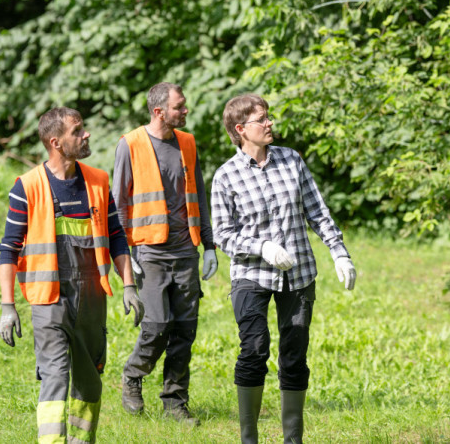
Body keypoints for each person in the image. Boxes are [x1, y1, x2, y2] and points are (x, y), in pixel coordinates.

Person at [211, 93, 357, 444]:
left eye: (268, 117)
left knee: (294, 353)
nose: (269, 123)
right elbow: (223, 234)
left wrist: (339, 252)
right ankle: (249, 438)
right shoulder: (226, 176)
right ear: (241, 129)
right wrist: (261, 246)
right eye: (262, 119)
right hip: (251, 275)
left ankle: (293, 439)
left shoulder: (291, 160)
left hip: (298, 273)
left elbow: (316, 211)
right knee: (254, 348)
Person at [0, 107, 142, 444]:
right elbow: (9, 248)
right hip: (49, 301)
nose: (85, 134)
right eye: (77, 131)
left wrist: (129, 285)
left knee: (90, 384)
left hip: (91, 302)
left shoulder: (98, 181)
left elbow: (117, 238)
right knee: (54, 378)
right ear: (56, 142)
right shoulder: (27, 187)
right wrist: (8, 306)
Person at [114, 82, 218, 426]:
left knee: (185, 330)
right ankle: (133, 374)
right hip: (150, 252)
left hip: (186, 250)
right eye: (180, 107)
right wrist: (127, 258)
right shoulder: (130, 144)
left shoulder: (187, 143)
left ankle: (175, 403)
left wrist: (209, 244)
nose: (186, 111)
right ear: (159, 111)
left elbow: (198, 195)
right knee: (157, 325)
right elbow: (120, 205)